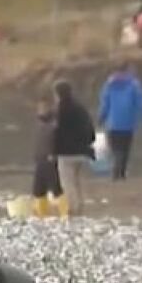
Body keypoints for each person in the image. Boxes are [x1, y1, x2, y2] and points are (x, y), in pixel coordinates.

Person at [97, 63, 142, 180]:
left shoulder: (109, 85)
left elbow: (105, 104)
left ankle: (117, 171)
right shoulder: (134, 85)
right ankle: (121, 172)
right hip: (128, 123)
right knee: (125, 149)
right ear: (127, 70)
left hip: (112, 123)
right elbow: (141, 103)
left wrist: (101, 118)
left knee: (116, 149)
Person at [51, 81, 95, 216]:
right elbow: (90, 130)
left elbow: (57, 133)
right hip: (83, 152)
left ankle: (72, 210)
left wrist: (53, 151)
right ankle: (80, 207)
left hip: (66, 153)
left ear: (58, 94)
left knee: (68, 183)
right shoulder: (81, 109)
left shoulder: (60, 110)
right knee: (78, 182)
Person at [32, 96, 67, 218]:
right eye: (39, 108)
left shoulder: (54, 125)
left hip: (50, 159)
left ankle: (64, 213)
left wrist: (54, 154)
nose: (40, 110)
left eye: (43, 108)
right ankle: (41, 214)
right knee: (38, 189)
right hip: (40, 159)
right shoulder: (40, 124)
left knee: (55, 187)